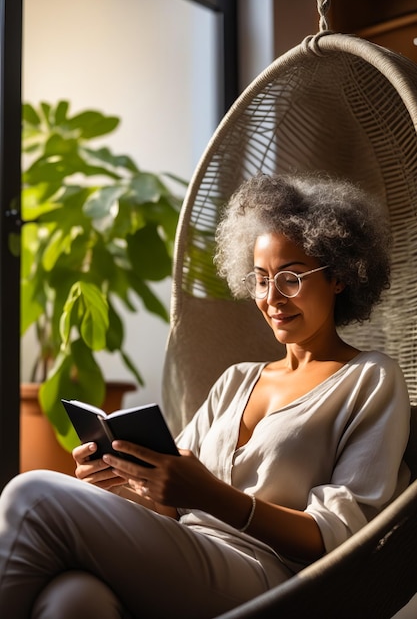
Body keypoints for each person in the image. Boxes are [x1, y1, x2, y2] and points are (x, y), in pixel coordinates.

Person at [0, 172, 410, 619]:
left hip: (276, 579)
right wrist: (125, 478)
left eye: (291, 278)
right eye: (260, 279)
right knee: (74, 598)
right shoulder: (237, 380)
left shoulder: (369, 378)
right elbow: (175, 504)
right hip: (190, 553)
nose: (272, 298)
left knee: (32, 493)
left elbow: (343, 537)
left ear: (339, 277)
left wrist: (211, 495)